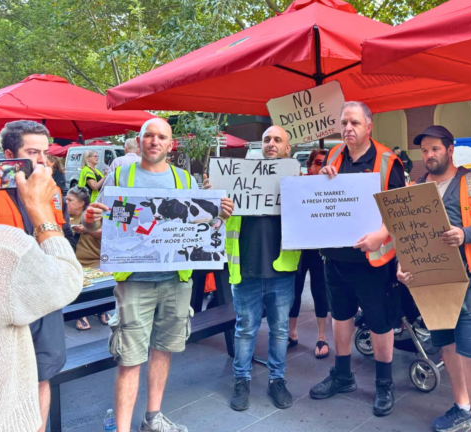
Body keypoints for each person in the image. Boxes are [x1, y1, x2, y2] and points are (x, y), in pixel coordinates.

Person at [83, 118, 233, 432]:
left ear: (170, 144)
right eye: (148, 135)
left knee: (163, 350)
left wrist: (219, 215)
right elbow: (102, 232)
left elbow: (201, 231)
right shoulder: (119, 175)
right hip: (134, 281)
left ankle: (153, 418)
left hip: (174, 281)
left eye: (161, 137)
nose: (154, 141)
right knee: (129, 357)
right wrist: (92, 222)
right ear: (139, 142)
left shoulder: (183, 180)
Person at [0, 89, 83, 432]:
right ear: (9, 156)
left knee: (42, 373)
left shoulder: (52, 190)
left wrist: (87, 222)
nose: (41, 161)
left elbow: (62, 235)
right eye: (31, 153)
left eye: (46, 153)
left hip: (41, 297)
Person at [396, 126, 471, 432]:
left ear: (450, 149)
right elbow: (407, 235)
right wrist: (401, 266)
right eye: (424, 151)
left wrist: (465, 234)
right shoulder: (417, 186)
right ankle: (462, 408)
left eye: (435, 149)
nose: (429, 155)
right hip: (433, 285)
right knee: (447, 349)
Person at [310, 101, 405, 417]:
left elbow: (400, 209)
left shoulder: (388, 161)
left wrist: (381, 235)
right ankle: (342, 375)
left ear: (369, 126)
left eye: (354, 122)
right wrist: (323, 177)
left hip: (374, 260)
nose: (347, 128)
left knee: (380, 322)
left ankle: (384, 384)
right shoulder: (334, 155)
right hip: (336, 257)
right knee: (341, 316)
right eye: (343, 123)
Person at [226, 125, 301, 412]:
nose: (271, 143)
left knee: (280, 330)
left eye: (277, 140)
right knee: (245, 330)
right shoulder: (237, 177)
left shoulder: (297, 180)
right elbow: (216, 217)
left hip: (281, 271)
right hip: (244, 269)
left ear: (287, 149)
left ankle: (276, 381)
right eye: (266, 139)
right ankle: (241, 380)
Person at [288, 148, 331, 359]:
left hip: (320, 247)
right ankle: (292, 332)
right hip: (298, 246)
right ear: (310, 165)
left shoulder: (333, 184)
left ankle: (321, 336)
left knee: (320, 290)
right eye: (317, 163)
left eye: (324, 163)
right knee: (293, 289)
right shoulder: (298, 183)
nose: (321, 167)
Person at [65, 186, 109, 330]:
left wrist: (87, 229)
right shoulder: (64, 217)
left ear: (81, 203)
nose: (66, 202)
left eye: (70, 200)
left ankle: (102, 309)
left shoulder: (91, 216)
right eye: (66, 199)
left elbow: (106, 235)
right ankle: (80, 314)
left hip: (94, 262)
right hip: (74, 264)